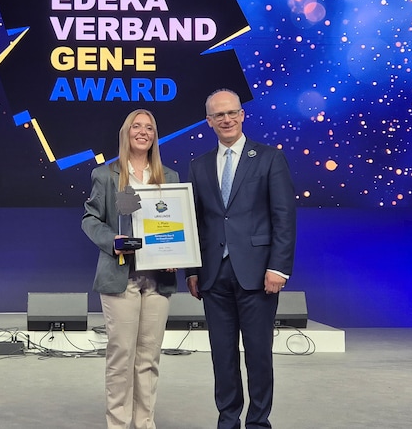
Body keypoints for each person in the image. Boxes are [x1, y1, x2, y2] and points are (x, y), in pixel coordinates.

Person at [185, 89, 297, 429]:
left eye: (232, 112)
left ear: (243, 115)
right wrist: (192, 270)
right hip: (213, 276)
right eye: (219, 115)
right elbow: (195, 222)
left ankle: (258, 422)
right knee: (222, 356)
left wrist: (278, 267)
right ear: (209, 121)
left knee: (259, 355)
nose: (227, 119)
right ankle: (228, 421)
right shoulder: (199, 165)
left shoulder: (269, 158)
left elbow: (284, 217)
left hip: (259, 274)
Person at [82, 109, 180, 429]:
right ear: (126, 133)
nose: (142, 132)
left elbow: (176, 225)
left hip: (158, 280)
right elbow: (90, 219)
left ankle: (144, 423)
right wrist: (112, 241)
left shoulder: (169, 177)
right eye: (136, 126)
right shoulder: (105, 174)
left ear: (155, 135)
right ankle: (118, 424)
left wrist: (177, 252)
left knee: (148, 357)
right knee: (122, 356)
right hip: (120, 277)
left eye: (149, 127)